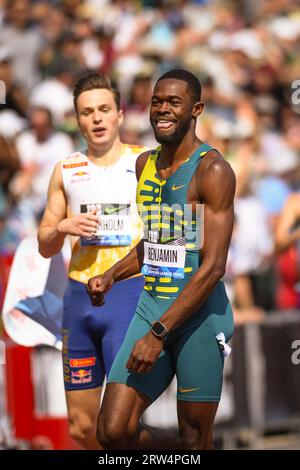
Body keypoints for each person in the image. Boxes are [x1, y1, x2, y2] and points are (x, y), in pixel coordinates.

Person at [87, 69, 236, 450]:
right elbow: (159, 238)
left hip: (198, 316)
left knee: (195, 435)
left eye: (173, 102)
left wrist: (159, 334)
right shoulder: (144, 165)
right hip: (151, 306)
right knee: (113, 431)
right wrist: (112, 274)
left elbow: (214, 266)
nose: (162, 109)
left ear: (196, 109)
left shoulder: (212, 170)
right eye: (156, 101)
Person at [37, 72, 145, 449]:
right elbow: (45, 243)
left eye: (103, 110)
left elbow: (172, 231)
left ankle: (184, 451)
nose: (96, 119)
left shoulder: (145, 162)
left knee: (120, 425)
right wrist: (63, 225)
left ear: (119, 114)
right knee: (83, 428)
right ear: (77, 119)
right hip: (79, 298)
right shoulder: (66, 169)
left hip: (127, 294)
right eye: (87, 112)